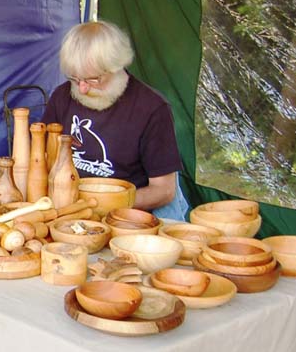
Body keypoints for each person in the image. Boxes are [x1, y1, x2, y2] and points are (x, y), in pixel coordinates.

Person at [40, 20, 187, 219]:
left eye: (93, 79)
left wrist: (107, 204)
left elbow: (164, 191)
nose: (82, 88)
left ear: (116, 67)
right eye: (75, 78)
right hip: (68, 212)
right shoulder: (62, 96)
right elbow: (42, 160)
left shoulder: (152, 109)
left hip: (126, 219)